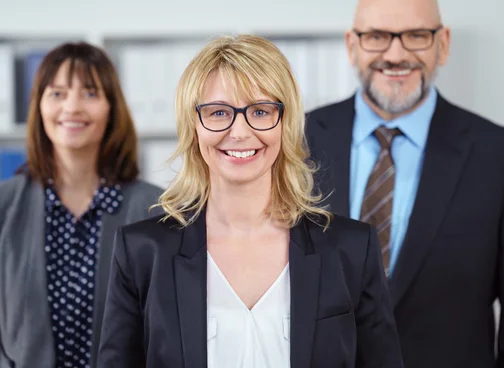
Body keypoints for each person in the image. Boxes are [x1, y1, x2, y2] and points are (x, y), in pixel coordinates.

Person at [96, 34, 404, 367]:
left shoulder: (352, 249)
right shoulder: (142, 251)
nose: (240, 132)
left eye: (259, 111)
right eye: (217, 113)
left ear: (285, 123)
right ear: (193, 125)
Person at [305, 0, 504, 368]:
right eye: (377, 35)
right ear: (352, 45)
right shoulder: (294, 140)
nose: (395, 55)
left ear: (442, 44)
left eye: (416, 35)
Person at [0, 42, 163, 368]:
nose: (73, 107)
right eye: (57, 93)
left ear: (112, 109)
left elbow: (167, 338)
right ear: (38, 106)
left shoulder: (154, 210)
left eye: (90, 93)